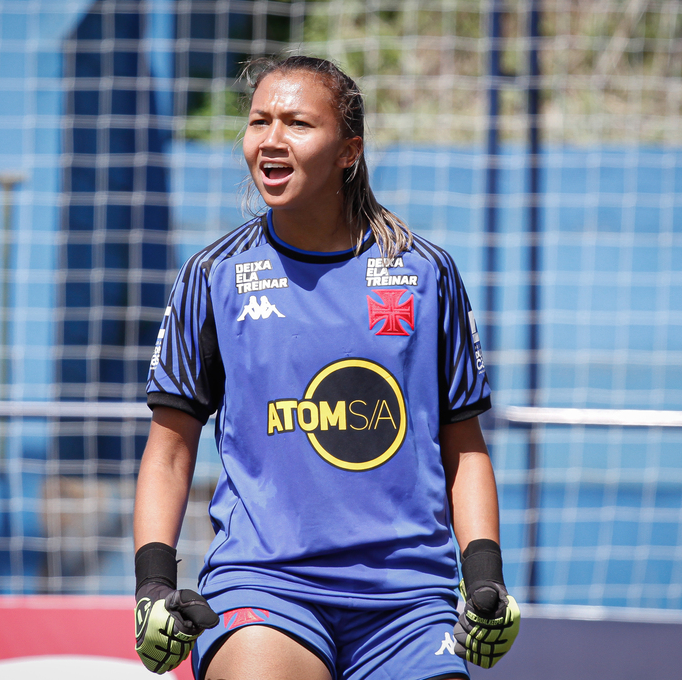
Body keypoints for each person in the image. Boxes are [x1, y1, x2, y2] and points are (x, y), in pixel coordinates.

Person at [132, 55, 519, 680]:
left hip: (407, 602)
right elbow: (170, 452)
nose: (271, 139)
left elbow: (464, 447)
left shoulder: (427, 273)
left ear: (349, 151)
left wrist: (485, 580)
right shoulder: (213, 275)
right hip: (264, 585)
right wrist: (152, 586)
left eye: (297, 123)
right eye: (259, 121)